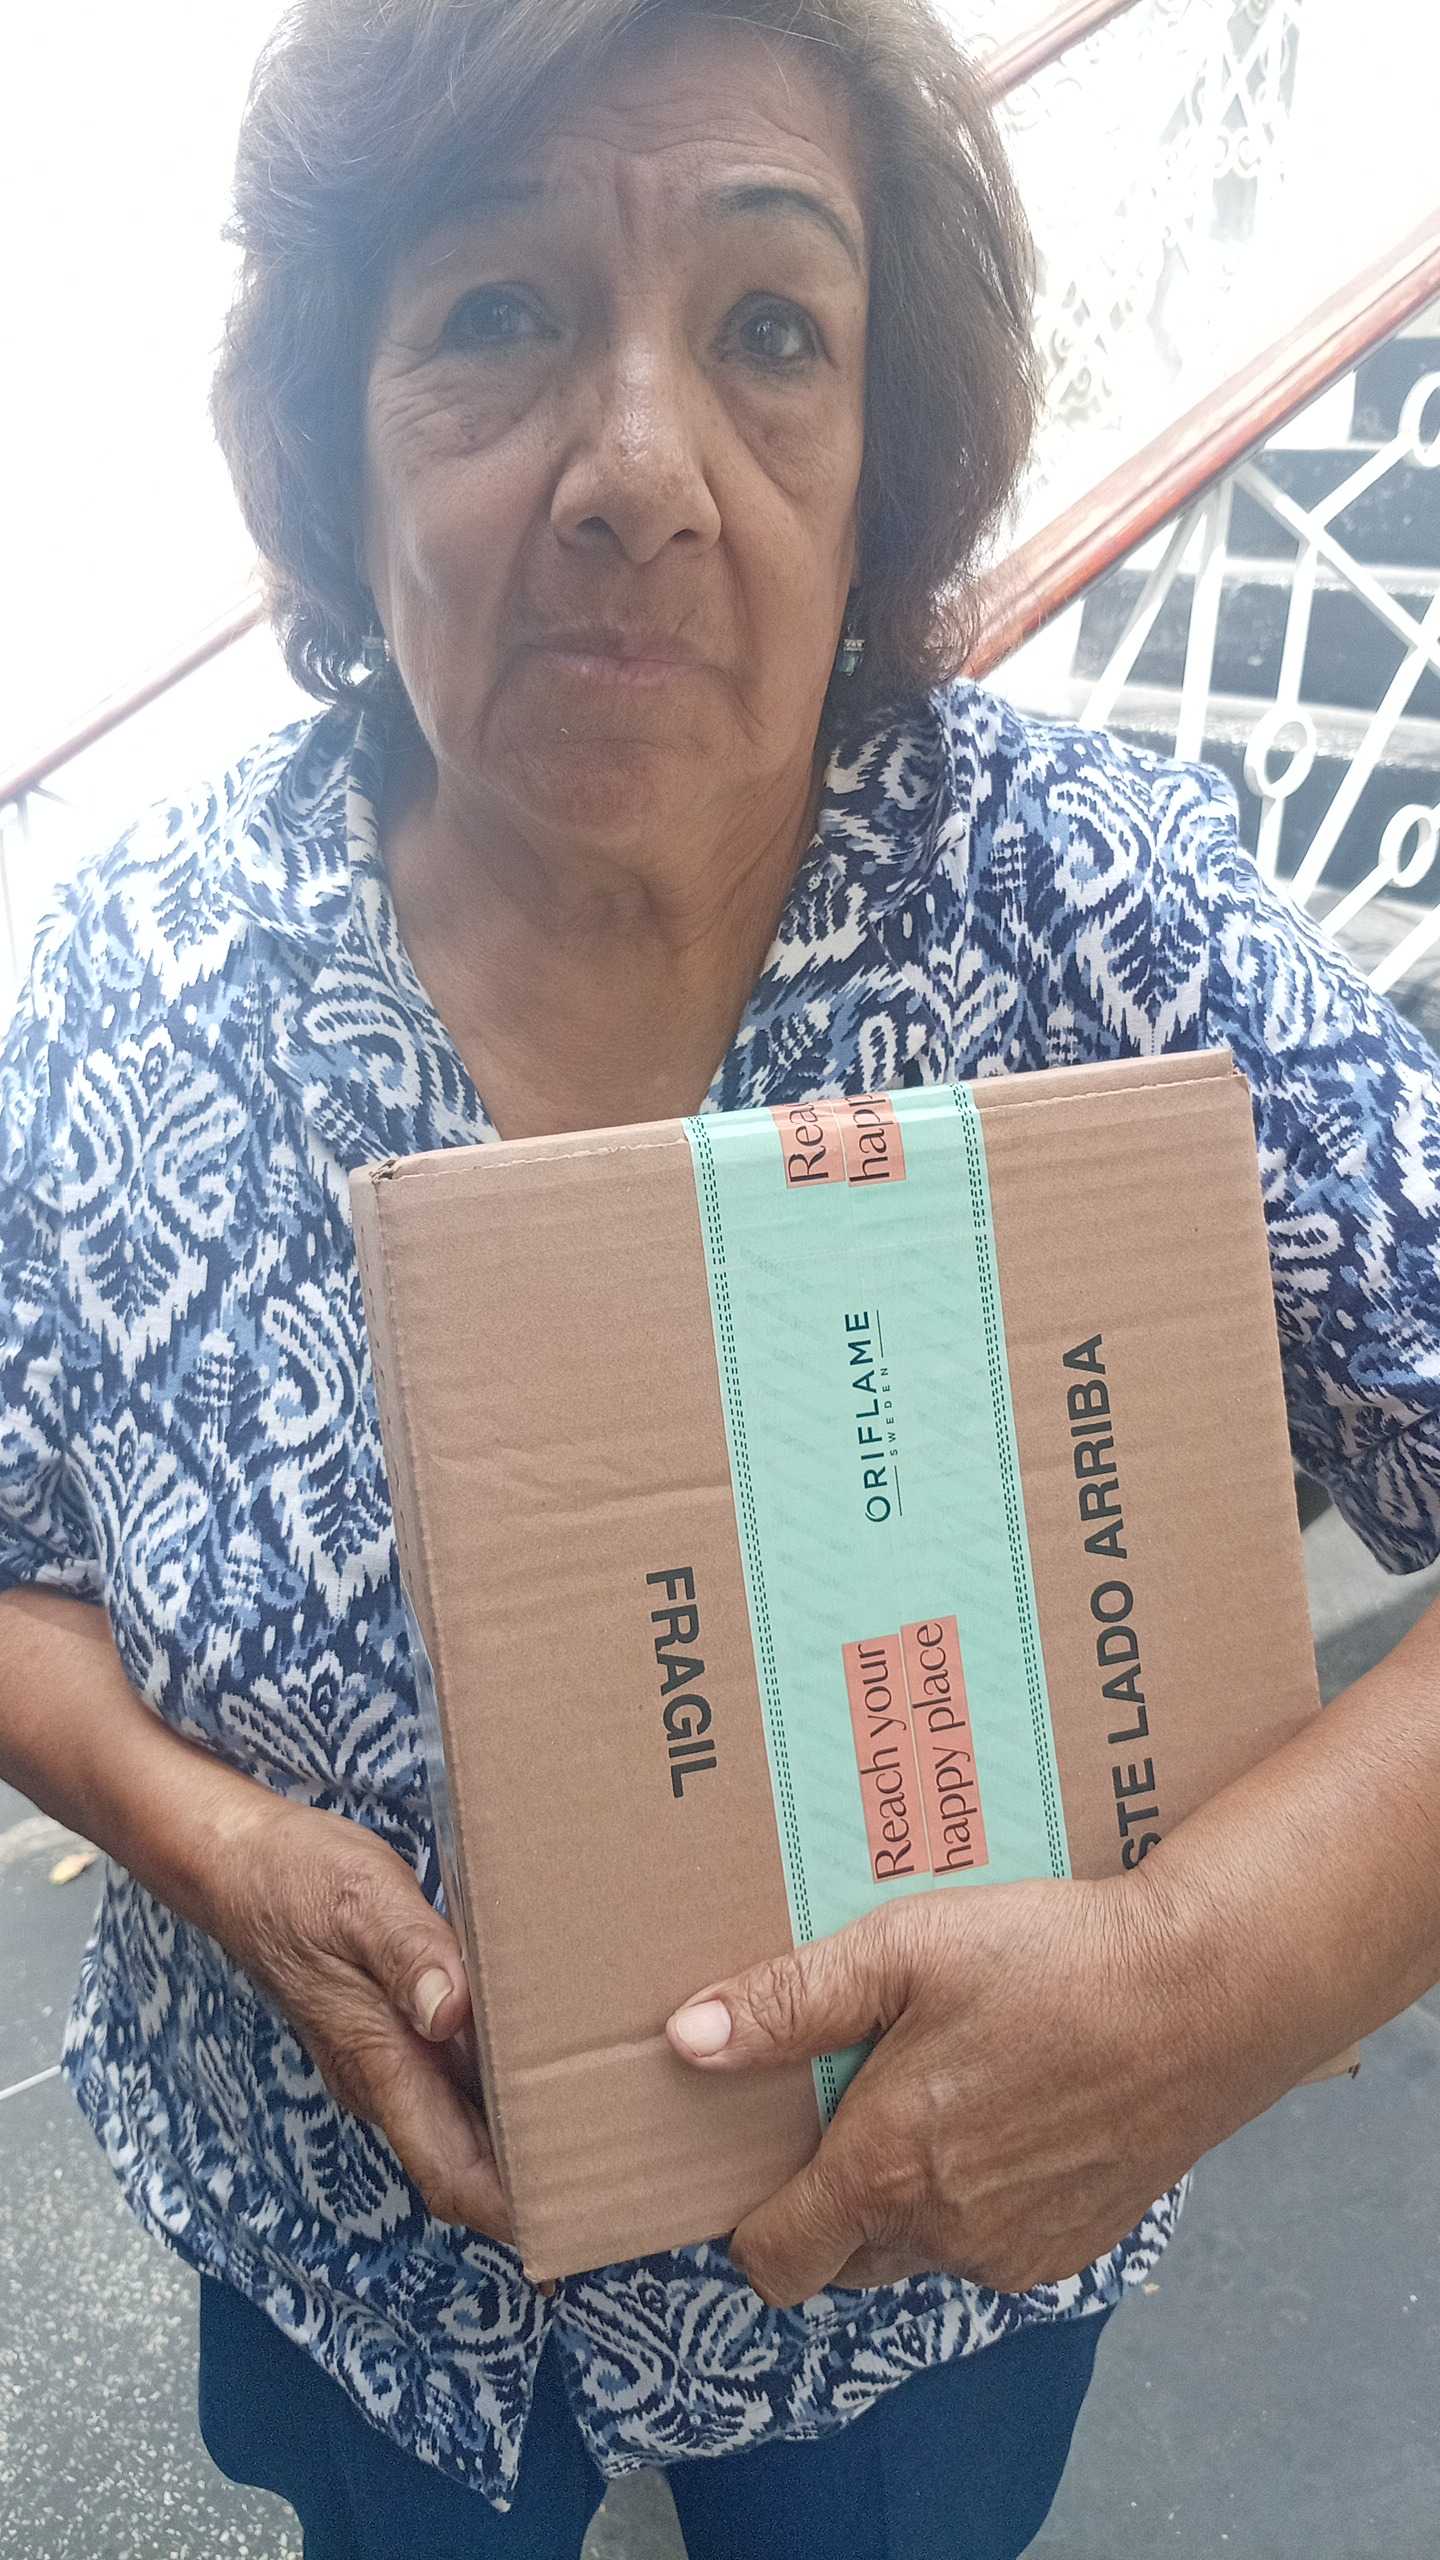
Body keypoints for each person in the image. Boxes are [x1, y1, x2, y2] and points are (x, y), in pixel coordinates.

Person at [3, 0, 1439, 2552]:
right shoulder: (137, 990)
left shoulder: (1092, 927)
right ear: (336, 428)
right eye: (496, 313)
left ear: (889, 456)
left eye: (774, 329)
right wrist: (208, 1841)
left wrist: (1202, 1989)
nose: (639, 475)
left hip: (929, 2271)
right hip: (355, 2264)